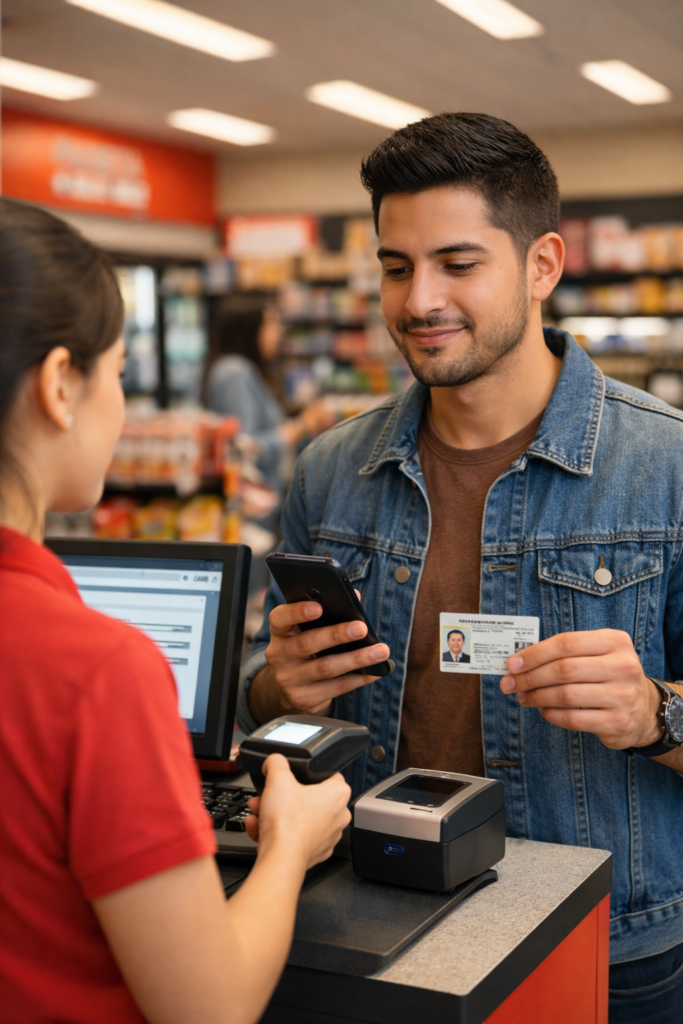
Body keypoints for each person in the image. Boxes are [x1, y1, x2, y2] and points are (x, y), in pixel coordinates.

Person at [238, 113, 683, 1023]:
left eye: (457, 263)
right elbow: (262, 699)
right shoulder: (331, 470)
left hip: (605, 946)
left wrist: (652, 712)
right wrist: (280, 693)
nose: (417, 300)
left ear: (541, 265)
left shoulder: (665, 468)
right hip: (363, 916)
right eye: (395, 267)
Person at [0, 198, 351, 1024]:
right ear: (59, 385)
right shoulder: (96, 668)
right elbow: (209, 1005)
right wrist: (289, 845)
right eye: (118, 371)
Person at [205, 293, 334, 499]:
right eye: (271, 322)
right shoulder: (234, 372)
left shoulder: (246, 370)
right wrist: (301, 426)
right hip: (251, 512)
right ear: (248, 327)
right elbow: (245, 448)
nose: (279, 330)